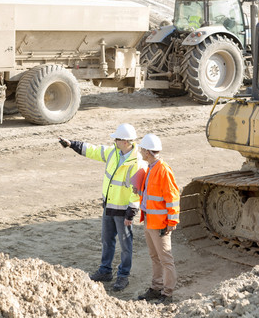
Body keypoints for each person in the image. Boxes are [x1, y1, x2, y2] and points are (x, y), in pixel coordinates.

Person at [58, 123, 146, 292]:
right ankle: (105, 271)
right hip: (109, 206)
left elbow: (137, 191)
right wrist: (72, 144)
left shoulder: (137, 162)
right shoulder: (113, 152)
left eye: (117, 139)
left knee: (125, 245)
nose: (114, 141)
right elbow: (94, 150)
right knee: (107, 240)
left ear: (126, 141)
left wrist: (131, 212)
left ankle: (123, 276)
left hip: (123, 211)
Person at [129, 133, 179, 304]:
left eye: (143, 150)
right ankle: (156, 287)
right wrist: (140, 191)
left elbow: (172, 197)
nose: (141, 152)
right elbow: (153, 196)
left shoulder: (163, 170)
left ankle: (167, 294)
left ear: (148, 153)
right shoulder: (150, 168)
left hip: (160, 224)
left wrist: (171, 222)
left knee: (165, 259)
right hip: (150, 221)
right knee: (155, 257)